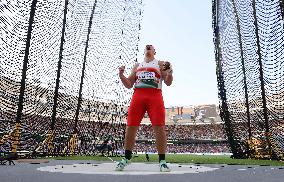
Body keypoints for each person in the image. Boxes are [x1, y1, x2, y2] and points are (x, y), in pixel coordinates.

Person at [115, 44, 173, 172]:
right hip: (138, 96)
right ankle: (126, 158)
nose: (148, 47)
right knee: (131, 125)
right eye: (147, 46)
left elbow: (168, 82)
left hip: (155, 96)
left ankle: (162, 161)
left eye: (151, 46)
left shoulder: (160, 63)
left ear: (154, 51)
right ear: (144, 51)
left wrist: (169, 73)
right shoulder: (137, 66)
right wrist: (121, 75)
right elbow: (129, 84)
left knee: (159, 126)